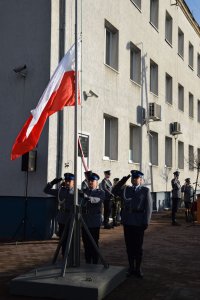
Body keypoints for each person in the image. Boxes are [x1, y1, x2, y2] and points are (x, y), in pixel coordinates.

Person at [112, 170, 152, 278]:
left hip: (139, 222)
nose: (134, 180)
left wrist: (146, 222)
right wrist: (122, 181)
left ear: (140, 179)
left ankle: (138, 268)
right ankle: (131, 267)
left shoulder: (145, 191)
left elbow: (148, 208)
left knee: (138, 247)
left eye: (136, 178)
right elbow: (114, 191)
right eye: (133, 178)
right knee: (129, 246)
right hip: (128, 221)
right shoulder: (126, 189)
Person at [43, 173, 75, 257]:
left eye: (69, 181)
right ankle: (64, 255)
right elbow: (46, 190)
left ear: (73, 182)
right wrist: (52, 183)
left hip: (71, 217)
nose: (67, 183)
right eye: (66, 181)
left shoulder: (77, 192)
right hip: (62, 218)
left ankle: (71, 255)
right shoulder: (61, 190)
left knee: (71, 238)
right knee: (62, 238)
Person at [80, 172, 105, 264]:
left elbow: (98, 201)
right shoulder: (83, 191)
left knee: (94, 242)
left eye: (92, 181)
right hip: (85, 220)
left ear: (97, 182)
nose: (90, 182)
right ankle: (88, 261)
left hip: (94, 221)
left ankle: (95, 261)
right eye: (89, 180)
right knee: (86, 242)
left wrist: (87, 197)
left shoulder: (100, 192)